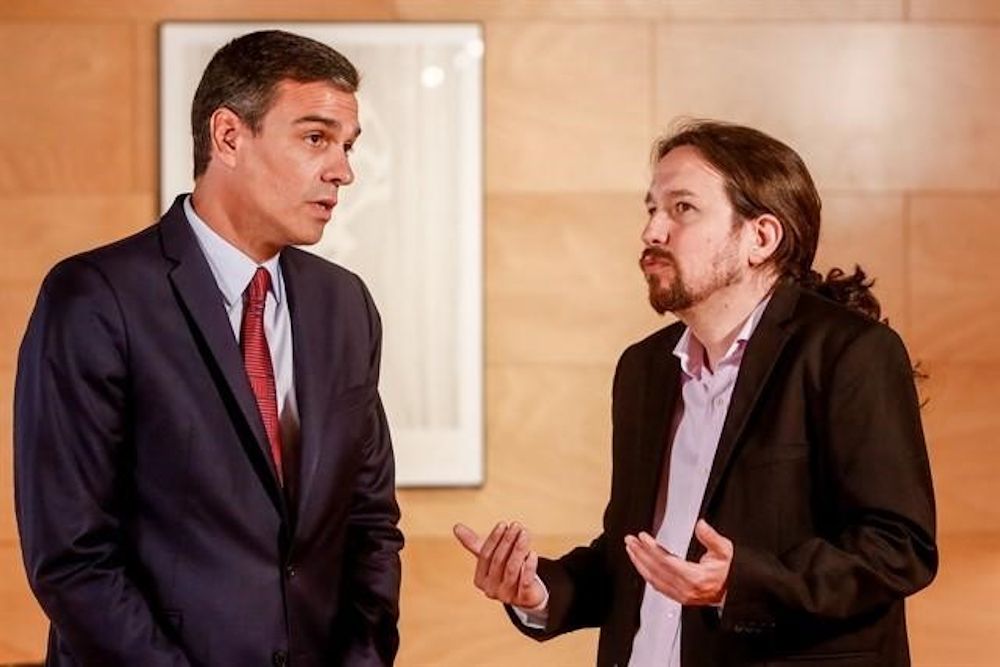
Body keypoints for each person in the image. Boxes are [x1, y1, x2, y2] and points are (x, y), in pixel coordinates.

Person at [455, 120, 937, 666]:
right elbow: (635, 552)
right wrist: (540, 591)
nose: (652, 232)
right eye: (651, 209)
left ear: (761, 238)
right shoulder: (644, 369)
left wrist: (740, 584)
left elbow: (898, 548)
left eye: (682, 208)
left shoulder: (851, 353)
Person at [15, 30, 402, 667]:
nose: (343, 170)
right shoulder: (95, 297)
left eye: (347, 145)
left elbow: (371, 526)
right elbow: (72, 558)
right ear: (228, 136)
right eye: (316, 138)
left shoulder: (346, 306)